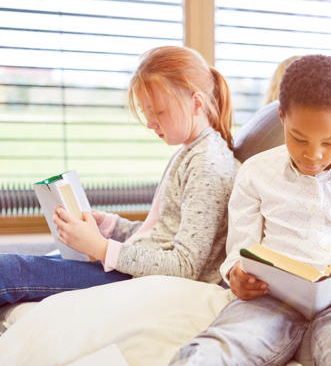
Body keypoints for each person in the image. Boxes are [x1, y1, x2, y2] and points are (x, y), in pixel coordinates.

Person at [10, 55, 331, 366]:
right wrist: (237, 273)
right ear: (281, 119)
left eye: (330, 142)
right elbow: (236, 251)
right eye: (299, 138)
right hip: (269, 299)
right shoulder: (255, 172)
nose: (313, 155)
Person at [0, 46, 238, 306]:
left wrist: (101, 248)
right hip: (139, 270)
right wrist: (114, 228)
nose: (149, 122)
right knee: (21, 266)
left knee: (10, 270)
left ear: (196, 103)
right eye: (145, 111)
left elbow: (185, 265)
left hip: (146, 281)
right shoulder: (192, 151)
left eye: (159, 111)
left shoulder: (207, 165)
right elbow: (163, 234)